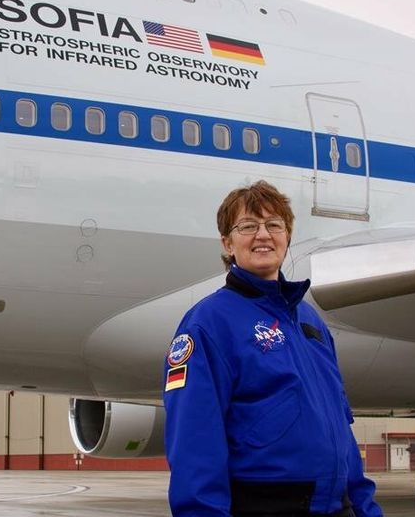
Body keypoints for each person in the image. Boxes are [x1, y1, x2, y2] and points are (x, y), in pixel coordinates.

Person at [163, 181, 382, 517]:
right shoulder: (208, 323)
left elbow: (340, 428)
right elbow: (195, 441)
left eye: (274, 225)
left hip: (336, 506)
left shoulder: (311, 323)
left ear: (287, 236)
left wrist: (365, 507)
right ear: (228, 242)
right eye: (248, 226)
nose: (263, 235)